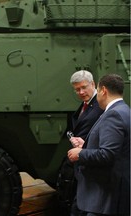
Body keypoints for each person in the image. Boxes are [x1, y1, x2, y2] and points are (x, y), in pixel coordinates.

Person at [68, 74, 130, 216]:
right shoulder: (125, 110)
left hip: (106, 192)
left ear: (103, 90)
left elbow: (108, 154)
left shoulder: (113, 114)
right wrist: (86, 144)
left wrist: (80, 153)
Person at [57, 70, 104, 215]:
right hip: (83, 162)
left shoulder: (101, 105)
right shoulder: (86, 104)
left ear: (93, 84)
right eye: (77, 89)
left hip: (93, 164)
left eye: (84, 87)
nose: (81, 92)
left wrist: (86, 144)